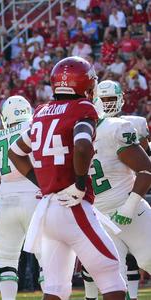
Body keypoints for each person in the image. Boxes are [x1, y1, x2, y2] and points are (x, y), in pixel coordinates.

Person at [9, 56, 126, 300]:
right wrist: (80, 184)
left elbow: (15, 152)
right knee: (111, 273)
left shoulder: (41, 112)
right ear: (84, 84)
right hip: (72, 207)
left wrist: (43, 183)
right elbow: (82, 146)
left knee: (55, 288)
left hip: (48, 210)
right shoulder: (83, 108)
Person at [81, 80, 151, 300]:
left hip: (122, 209)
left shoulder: (119, 126)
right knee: (113, 285)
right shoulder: (111, 128)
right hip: (103, 216)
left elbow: (145, 168)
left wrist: (129, 208)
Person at [0, 95, 43, 299]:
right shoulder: (35, 128)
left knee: (7, 260)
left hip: (6, 200)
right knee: (46, 257)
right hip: (35, 194)